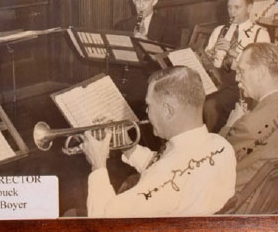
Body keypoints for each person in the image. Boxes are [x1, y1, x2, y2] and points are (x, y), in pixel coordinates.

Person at [81, 66, 236, 217]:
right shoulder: (221, 145)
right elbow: (164, 166)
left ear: (168, 111)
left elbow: (102, 221)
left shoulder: (163, 174)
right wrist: (128, 146)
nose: (147, 112)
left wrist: (98, 165)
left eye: (149, 105)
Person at [219, 43, 278, 191]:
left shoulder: (248, 125)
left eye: (241, 71)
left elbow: (213, 161)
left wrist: (229, 125)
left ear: (260, 73)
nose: (237, 79)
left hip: (237, 203)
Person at [203, 0, 270, 132]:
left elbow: (261, 69)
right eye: (229, 7)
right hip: (217, 80)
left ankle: (215, 142)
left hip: (241, 85)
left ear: (250, 8)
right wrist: (208, 56)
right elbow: (208, 61)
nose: (232, 12)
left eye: (237, 7)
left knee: (210, 106)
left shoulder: (260, 33)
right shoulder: (219, 30)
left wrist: (233, 52)